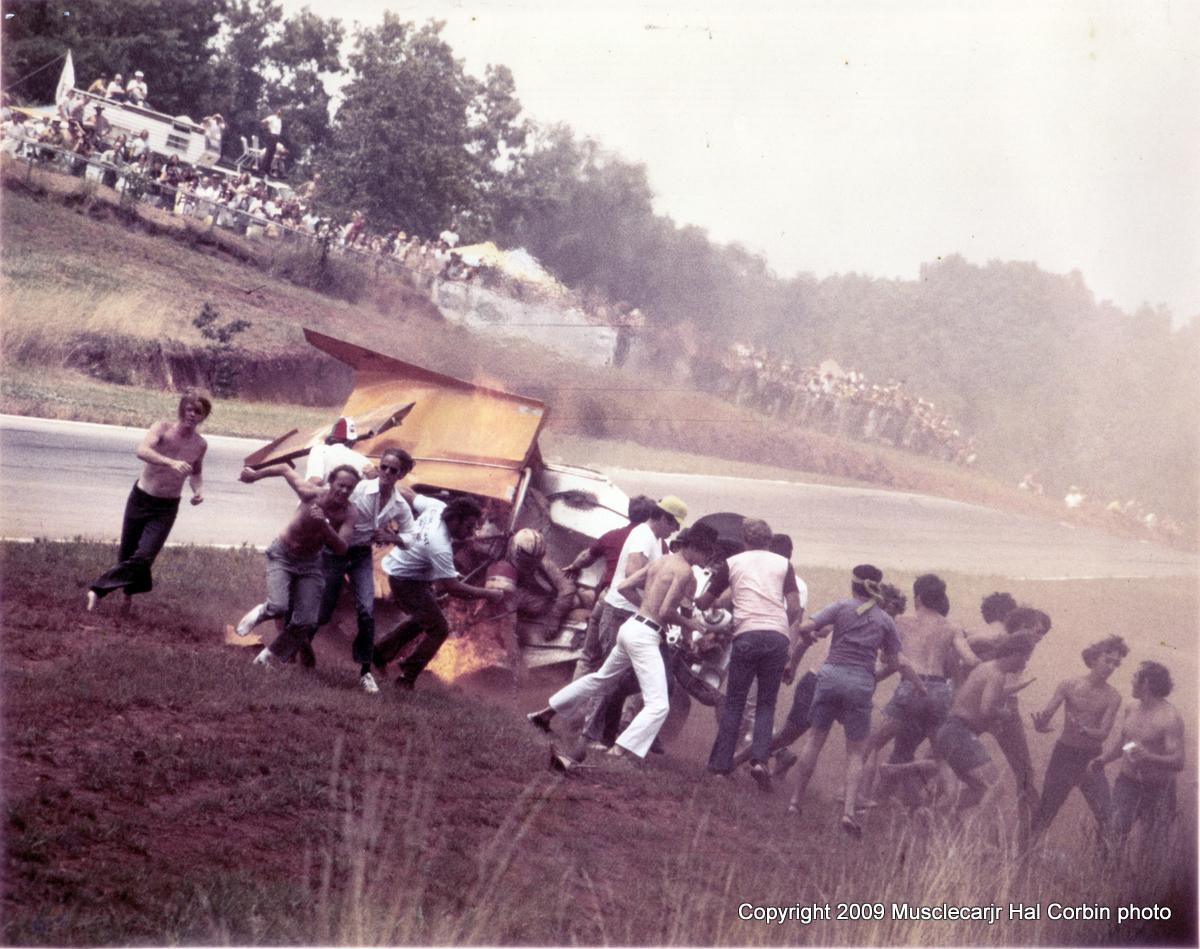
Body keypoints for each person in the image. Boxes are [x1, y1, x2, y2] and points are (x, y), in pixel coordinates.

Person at [526, 522, 715, 763]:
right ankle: (618, 750)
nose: (707, 559)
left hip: (632, 627)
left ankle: (543, 714)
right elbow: (666, 611)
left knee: (599, 679)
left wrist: (647, 608)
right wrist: (690, 624)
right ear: (695, 548)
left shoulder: (660, 562)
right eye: (707, 553)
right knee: (658, 705)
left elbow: (624, 587)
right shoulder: (685, 572)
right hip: (645, 636)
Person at [784, 564, 927, 836]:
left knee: (814, 741)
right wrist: (918, 686)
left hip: (829, 677)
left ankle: (794, 802)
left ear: (853, 586)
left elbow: (806, 627)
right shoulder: (885, 620)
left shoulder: (840, 607)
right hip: (860, 683)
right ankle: (849, 811)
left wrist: (807, 634)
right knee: (856, 753)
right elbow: (895, 660)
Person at [86, 390, 210, 614]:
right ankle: (127, 597)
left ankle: (97, 590)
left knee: (144, 556)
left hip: (166, 507)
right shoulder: (162, 428)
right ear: (182, 409)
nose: (193, 415)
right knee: (128, 552)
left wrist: (198, 491)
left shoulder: (200, 444)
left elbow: (196, 473)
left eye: (198, 412)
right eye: (189, 409)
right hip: (141, 498)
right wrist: (171, 462)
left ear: (204, 416)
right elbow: (142, 451)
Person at [705, 519, 803, 790]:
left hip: (747, 635)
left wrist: (702, 603)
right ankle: (760, 760)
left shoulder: (733, 562)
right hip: (777, 637)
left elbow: (709, 600)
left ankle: (720, 765)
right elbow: (794, 607)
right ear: (769, 540)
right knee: (766, 705)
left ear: (744, 540)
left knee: (735, 703)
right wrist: (779, 624)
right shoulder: (784, 564)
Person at [310, 447, 417, 693]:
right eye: (383, 467)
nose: (386, 473)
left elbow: (411, 535)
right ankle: (296, 645)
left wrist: (392, 537)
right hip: (336, 550)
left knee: (367, 611)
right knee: (324, 610)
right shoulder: (359, 489)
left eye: (393, 470)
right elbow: (330, 499)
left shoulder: (399, 504)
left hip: (361, 555)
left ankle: (365, 671)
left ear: (401, 475)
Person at [234, 463, 359, 671]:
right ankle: (262, 612)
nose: (344, 491)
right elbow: (284, 468)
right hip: (282, 555)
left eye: (350, 488)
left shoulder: (349, 512)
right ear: (331, 482)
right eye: (341, 485)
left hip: (310, 564)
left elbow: (342, 548)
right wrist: (256, 475)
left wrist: (324, 525)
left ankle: (269, 656)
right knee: (279, 606)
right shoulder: (310, 493)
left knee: (306, 621)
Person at [865, 574, 977, 804]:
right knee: (943, 758)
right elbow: (971, 660)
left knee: (872, 744)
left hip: (910, 687)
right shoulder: (952, 627)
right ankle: (947, 811)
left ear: (918, 598)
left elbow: (886, 657)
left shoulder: (901, 621)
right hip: (940, 691)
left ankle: (862, 801)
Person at [371, 496, 503, 690]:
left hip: (410, 574)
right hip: (406, 581)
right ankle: (407, 676)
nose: (471, 533)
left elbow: (409, 494)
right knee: (439, 629)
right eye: (468, 526)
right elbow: (453, 587)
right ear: (455, 519)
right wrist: (489, 594)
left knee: (422, 620)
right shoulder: (439, 543)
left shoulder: (437, 506)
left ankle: (379, 654)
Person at [1029, 635, 1127, 841]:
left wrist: (1084, 730)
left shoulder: (1113, 696)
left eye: (1115, 664)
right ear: (1094, 658)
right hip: (1064, 755)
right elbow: (1046, 714)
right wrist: (1040, 724)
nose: (1111, 667)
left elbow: (1103, 734)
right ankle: (1022, 855)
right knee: (1046, 811)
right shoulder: (1069, 685)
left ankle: (1105, 860)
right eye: (1107, 660)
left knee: (1106, 816)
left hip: (1091, 759)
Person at [932, 636, 1036, 813]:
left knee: (980, 790)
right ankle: (981, 830)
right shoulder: (997, 675)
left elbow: (987, 694)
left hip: (950, 731)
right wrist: (1004, 713)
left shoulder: (985, 668)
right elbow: (986, 708)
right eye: (1025, 658)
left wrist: (1016, 687)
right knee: (995, 788)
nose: (1025, 664)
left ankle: (933, 815)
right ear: (1015, 654)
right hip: (960, 733)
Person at [1090, 661, 1184, 851]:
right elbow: (1125, 743)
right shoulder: (1131, 708)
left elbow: (1178, 761)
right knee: (1110, 837)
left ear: (1146, 683)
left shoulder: (1169, 718)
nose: (1131, 681)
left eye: (1135, 677)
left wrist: (1149, 757)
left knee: (1152, 849)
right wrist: (1103, 760)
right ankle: (1107, 870)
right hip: (1127, 784)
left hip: (1158, 791)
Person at [562, 495, 656, 674]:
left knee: (587, 657)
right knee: (611, 664)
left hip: (605, 597)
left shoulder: (613, 535)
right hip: (627, 604)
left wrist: (574, 566)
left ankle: (575, 691)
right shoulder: (653, 541)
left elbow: (586, 556)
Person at [480, 528, 576, 682]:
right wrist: (517, 665)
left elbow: (567, 588)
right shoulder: (503, 570)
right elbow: (507, 626)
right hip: (512, 601)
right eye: (526, 561)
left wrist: (554, 618)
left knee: (585, 598)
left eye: (533, 562)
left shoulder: (541, 561)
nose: (529, 565)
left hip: (544, 603)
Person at [260, 108, 282, 177]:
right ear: (276, 112)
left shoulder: (280, 120)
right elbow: (263, 121)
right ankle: (262, 169)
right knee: (268, 152)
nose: (280, 113)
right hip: (272, 136)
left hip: (276, 137)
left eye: (281, 112)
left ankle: (267, 169)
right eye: (279, 111)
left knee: (272, 154)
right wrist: (268, 130)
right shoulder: (272, 117)